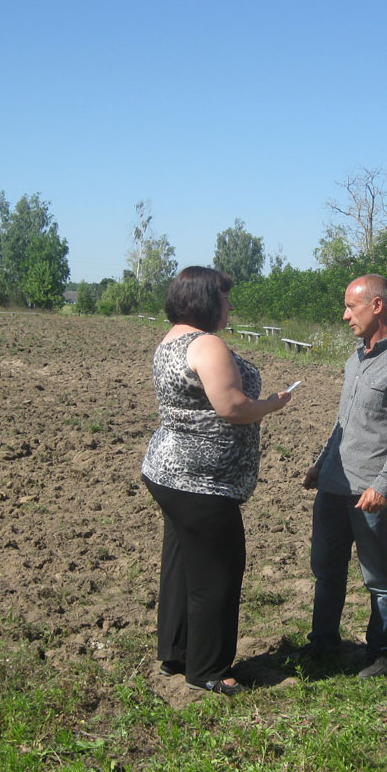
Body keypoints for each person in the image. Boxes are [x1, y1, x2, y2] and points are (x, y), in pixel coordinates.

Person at [140, 266, 292, 696]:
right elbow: (232, 407)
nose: (230, 305)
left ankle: (176, 652)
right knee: (218, 570)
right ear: (206, 299)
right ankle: (208, 669)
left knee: (182, 564)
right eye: (225, 297)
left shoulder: (172, 339)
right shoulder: (207, 344)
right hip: (201, 482)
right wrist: (271, 404)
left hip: (168, 470)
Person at [300, 274, 387, 679]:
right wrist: (322, 463)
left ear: (377, 306)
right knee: (326, 569)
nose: (345, 316)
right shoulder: (355, 359)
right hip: (334, 484)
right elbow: (343, 422)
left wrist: (384, 485)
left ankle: (382, 651)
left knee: (377, 575)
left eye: (351, 306)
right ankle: (323, 643)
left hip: (369, 491)